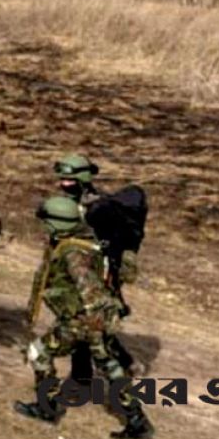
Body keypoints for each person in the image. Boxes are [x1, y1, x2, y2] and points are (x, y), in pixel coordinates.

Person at [14, 196, 155, 439]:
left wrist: (90, 324)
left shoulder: (73, 254)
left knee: (38, 353)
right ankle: (138, 421)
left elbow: (90, 289)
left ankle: (47, 408)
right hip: (95, 322)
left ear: (58, 224)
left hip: (83, 321)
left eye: (47, 222)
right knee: (111, 369)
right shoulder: (86, 241)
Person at [55, 153, 142, 377]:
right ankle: (116, 366)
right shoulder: (75, 203)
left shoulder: (98, 207)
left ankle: (93, 373)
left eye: (68, 180)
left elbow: (107, 245)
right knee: (85, 321)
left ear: (81, 179)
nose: (63, 184)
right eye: (62, 180)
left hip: (97, 272)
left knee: (87, 322)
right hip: (77, 270)